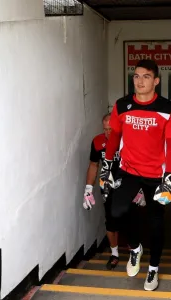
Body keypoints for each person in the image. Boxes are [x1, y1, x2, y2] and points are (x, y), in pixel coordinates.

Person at [100, 59, 171, 291]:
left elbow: (170, 144)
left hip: (155, 175)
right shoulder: (122, 105)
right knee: (117, 210)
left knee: (156, 221)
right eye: (136, 76)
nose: (140, 81)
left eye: (146, 76)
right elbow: (113, 137)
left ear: (156, 81)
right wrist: (107, 166)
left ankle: (153, 269)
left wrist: (168, 178)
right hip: (128, 169)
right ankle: (135, 248)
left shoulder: (166, 108)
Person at [83, 113, 146, 270]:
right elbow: (93, 165)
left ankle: (134, 252)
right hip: (108, 187)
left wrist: (141, 188)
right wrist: (88, 189)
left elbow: (142, 163)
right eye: (105, 129)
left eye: (111, 129)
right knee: (111, 222)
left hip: (129, 186)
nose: (108, 133)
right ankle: (115, 254)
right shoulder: (97, 142)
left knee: (132, 219)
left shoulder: (129, 140)